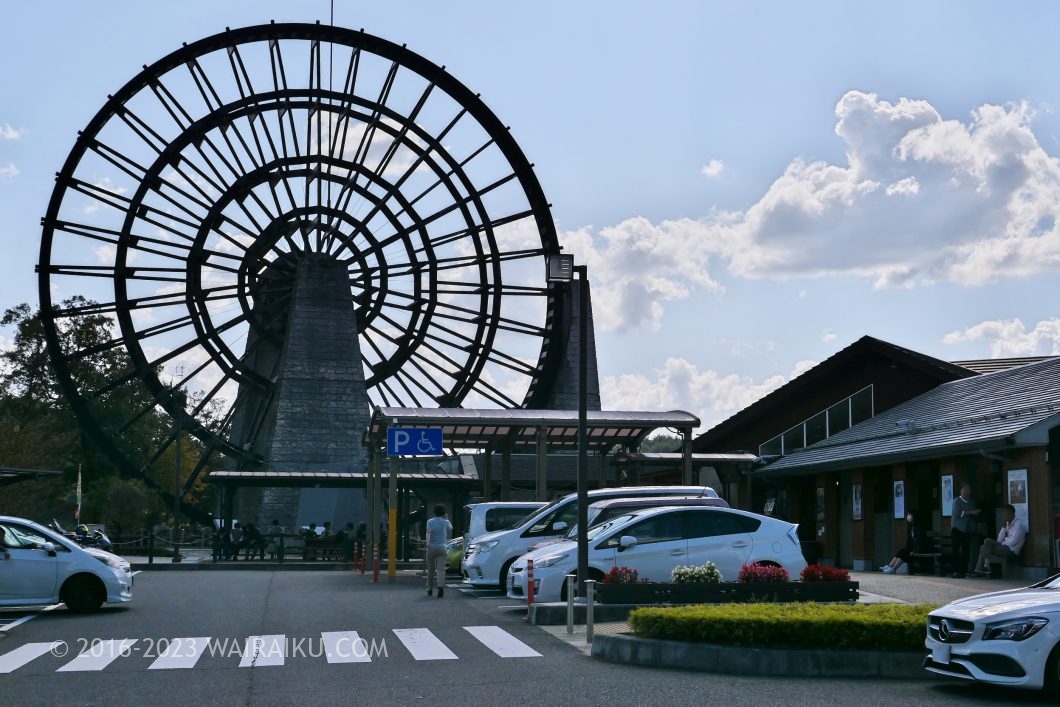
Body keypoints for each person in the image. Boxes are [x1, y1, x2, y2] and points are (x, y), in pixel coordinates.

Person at [970, 504, 1026, 577]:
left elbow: (1013, 542)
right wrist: (1003, 528)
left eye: (1006, 513)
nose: (1004, 516)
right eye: (1004, 514)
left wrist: (1004, 541)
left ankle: (982, 568)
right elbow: (999, 539)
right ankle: (984, 567)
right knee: (987, 541)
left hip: (1012, 550)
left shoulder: (1018, 526)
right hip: (1004, 546)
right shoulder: (1007, 524)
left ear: (1012, 514)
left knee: (984, 547)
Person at [950, 482, 981, 577]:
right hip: (956, 529)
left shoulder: (971, 502)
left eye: (969, 489)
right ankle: (954, 571)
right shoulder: (957, 501)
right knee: (956, 550)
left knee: (966, 551)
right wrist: (971, 512)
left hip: (966, 530)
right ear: (961, 490)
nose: (967, 491)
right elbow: (958, 514)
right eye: (965, 489)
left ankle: (963, 571)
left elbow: (973, 515)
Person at [424, 504, 452, 598]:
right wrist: (446, 518)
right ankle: (440, 588)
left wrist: (428, 543)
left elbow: (428, 533)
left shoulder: (430, 521)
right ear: (443, 513)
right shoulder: (445, 522)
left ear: (434, 512)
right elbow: (451, 528)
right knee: (441, 570)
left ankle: (430, 589)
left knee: (430, 569)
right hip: (442, 548)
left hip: (431, 547)